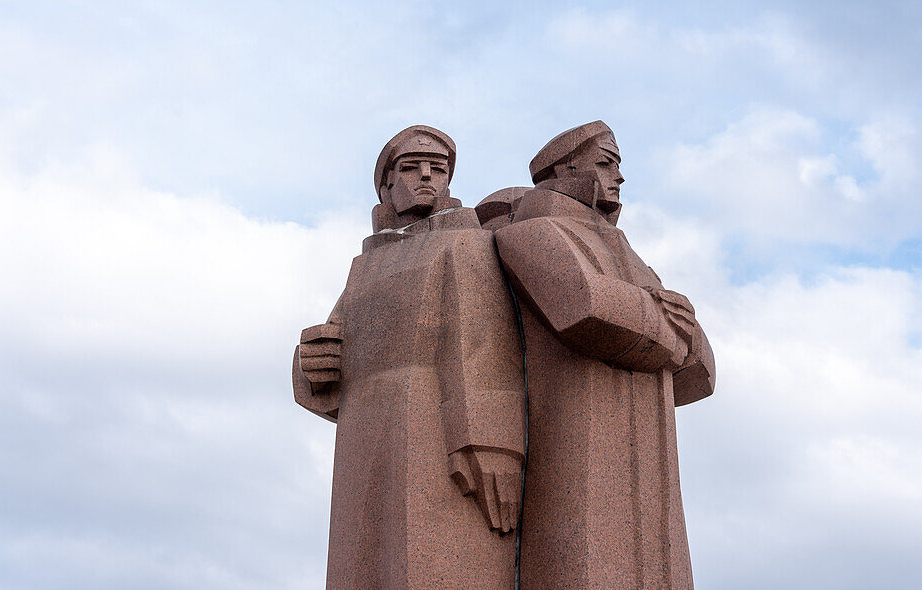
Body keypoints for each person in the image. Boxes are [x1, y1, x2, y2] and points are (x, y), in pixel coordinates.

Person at [293, 125, 525, 590]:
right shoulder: (366, 264)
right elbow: (335, 347)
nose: (426, 177)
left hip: (430, 422)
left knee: (435, 557)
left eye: (438, 170)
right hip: (363, 424)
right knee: (362, 560)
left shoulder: (463, 242)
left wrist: (490, 441)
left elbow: (482, 344)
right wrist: (311, 365)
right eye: (411, 167)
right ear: (386, 186)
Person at [492, 120, 715, 590]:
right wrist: (667, 321)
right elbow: (582, 306)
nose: (619, 177)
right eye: (607, 163)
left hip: (650, 450)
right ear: (565, 167)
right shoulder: (534, 231)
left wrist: (679, 332)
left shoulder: (634, 258)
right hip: (571, 435)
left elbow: (702, 375)